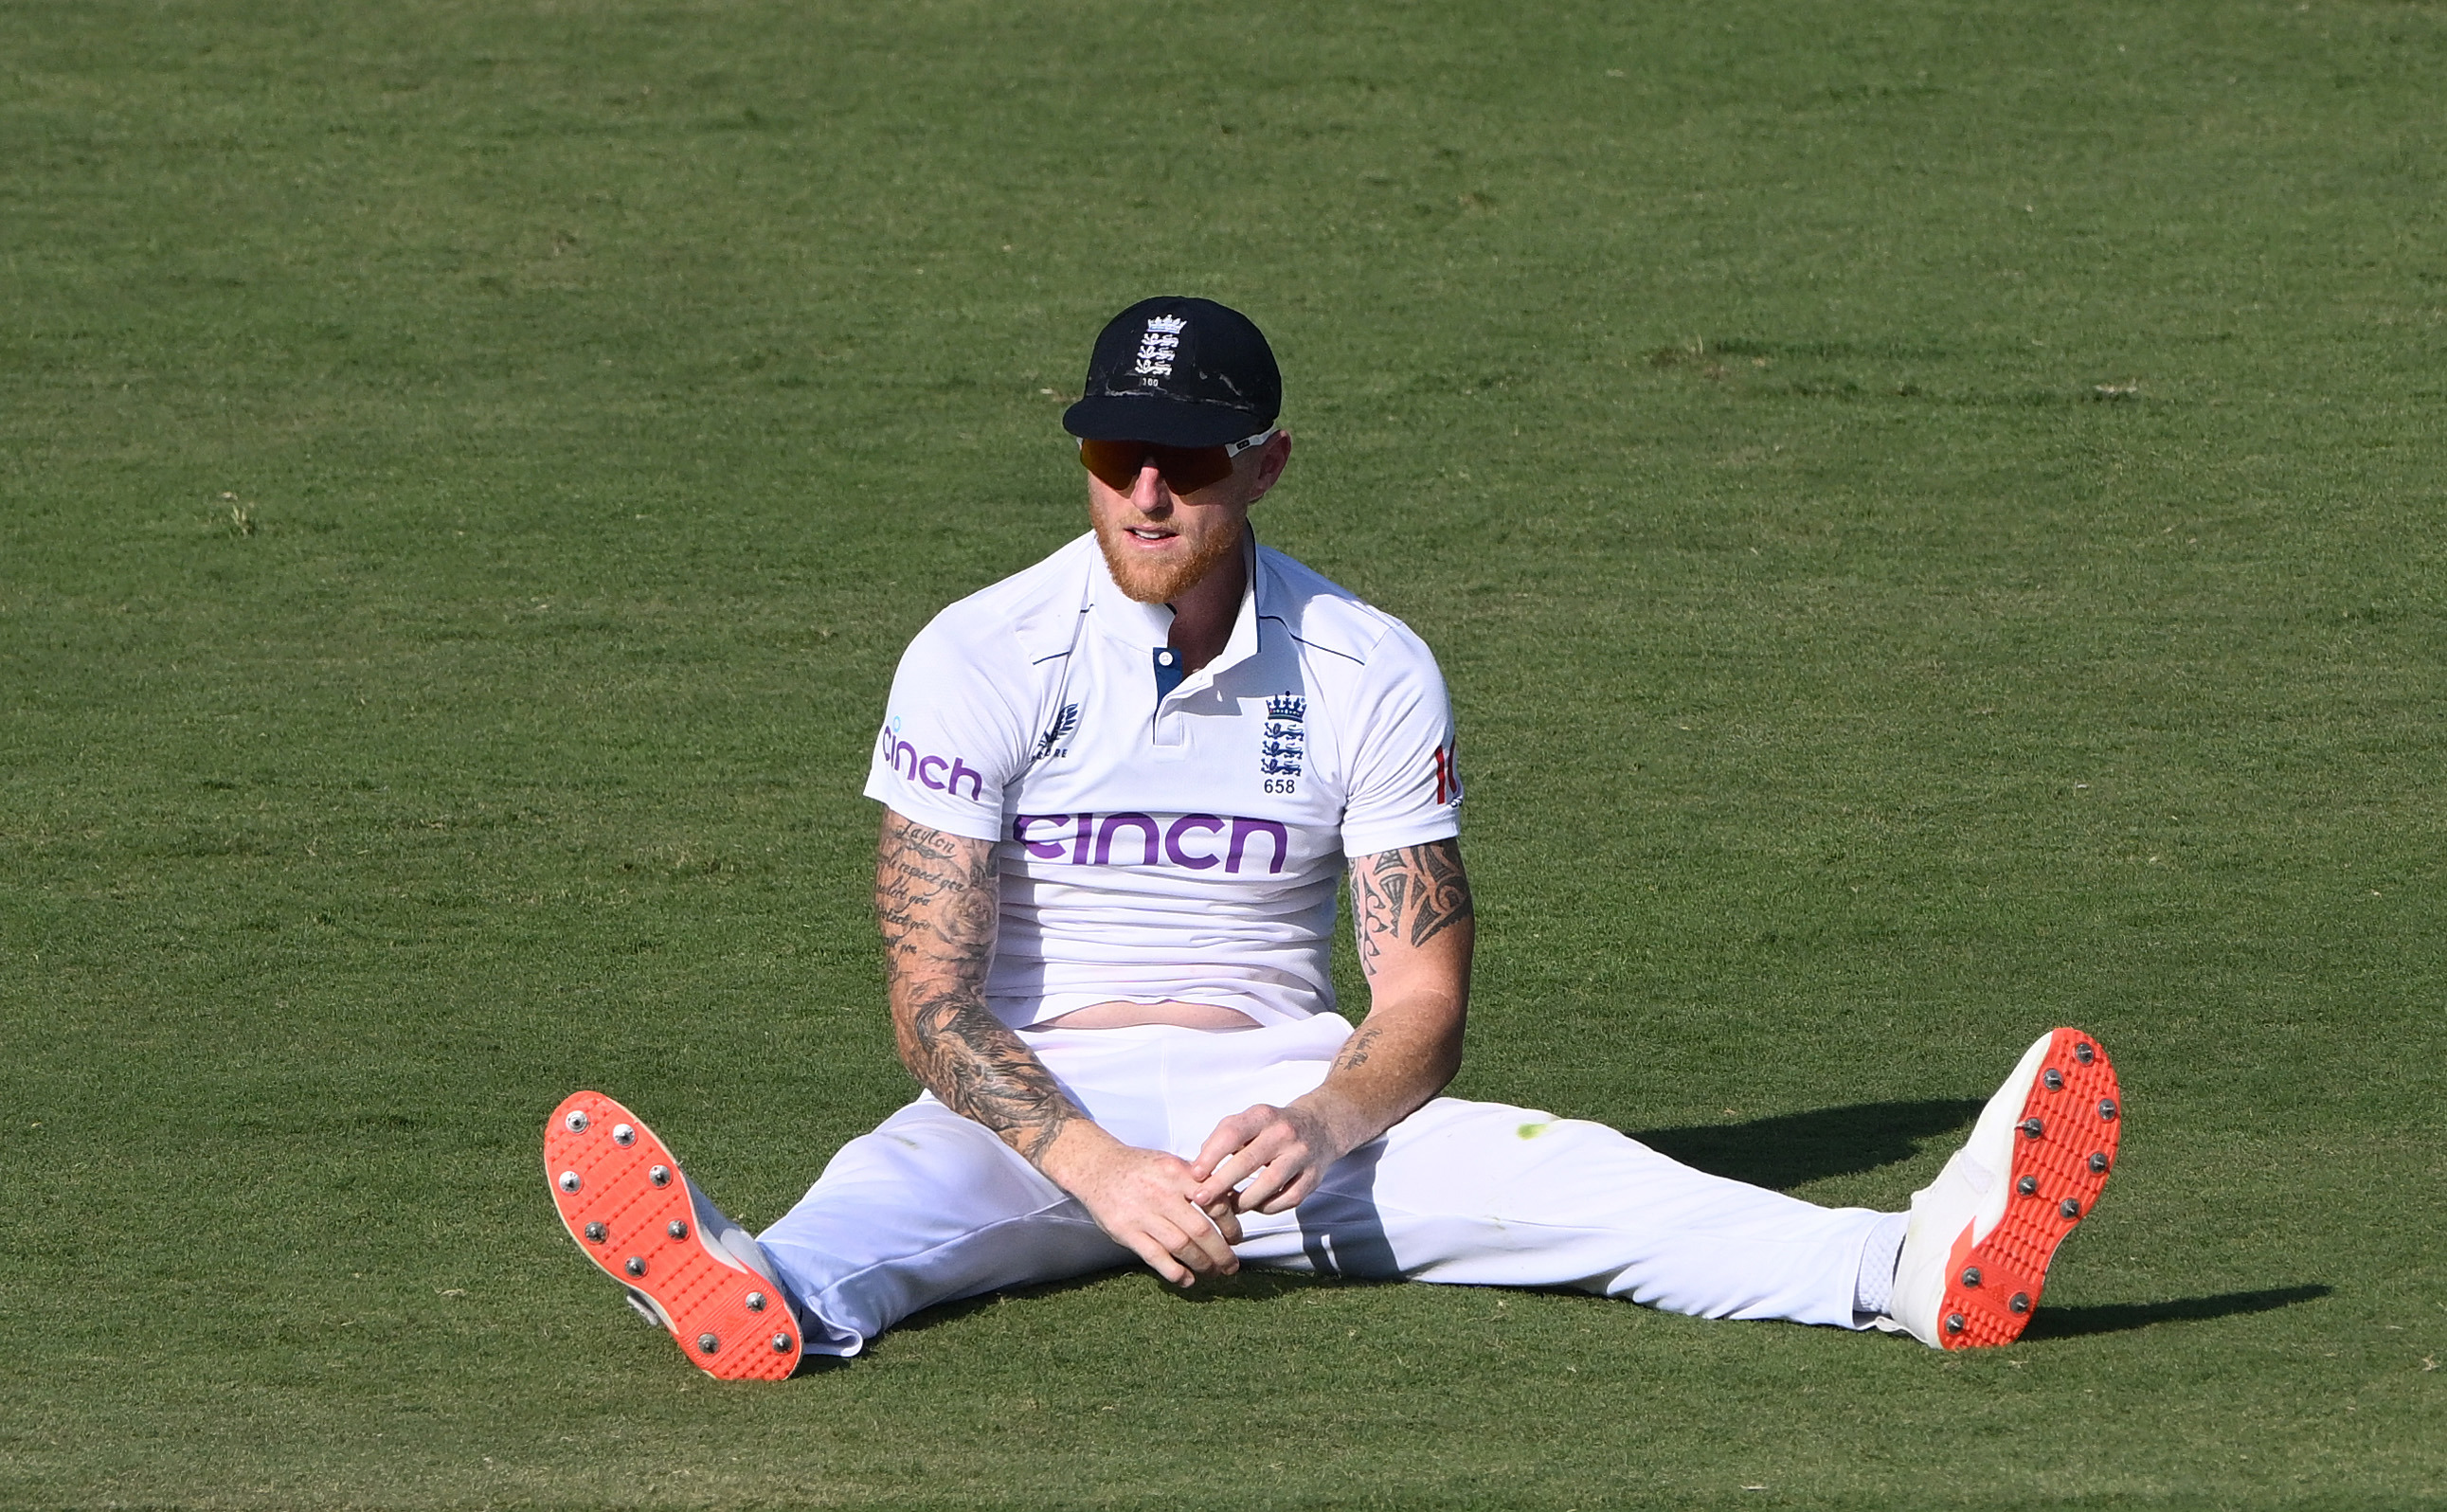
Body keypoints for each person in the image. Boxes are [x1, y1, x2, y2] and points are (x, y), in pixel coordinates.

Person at [542, 297, 2123, 1380]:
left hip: (1274, 1087)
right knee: (868, 1223)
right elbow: (931, 1006)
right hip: (1038, 1097)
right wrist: (1097, 1169)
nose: (1146, 494)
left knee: (1583, 1183)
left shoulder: (1368, 660)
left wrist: (1323, 1122)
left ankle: (1911, 1267)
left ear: (1269, 464)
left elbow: (1420, 1002)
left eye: (1189, 460)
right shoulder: (978, 650)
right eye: (1111, 456)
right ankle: (746, 1291)